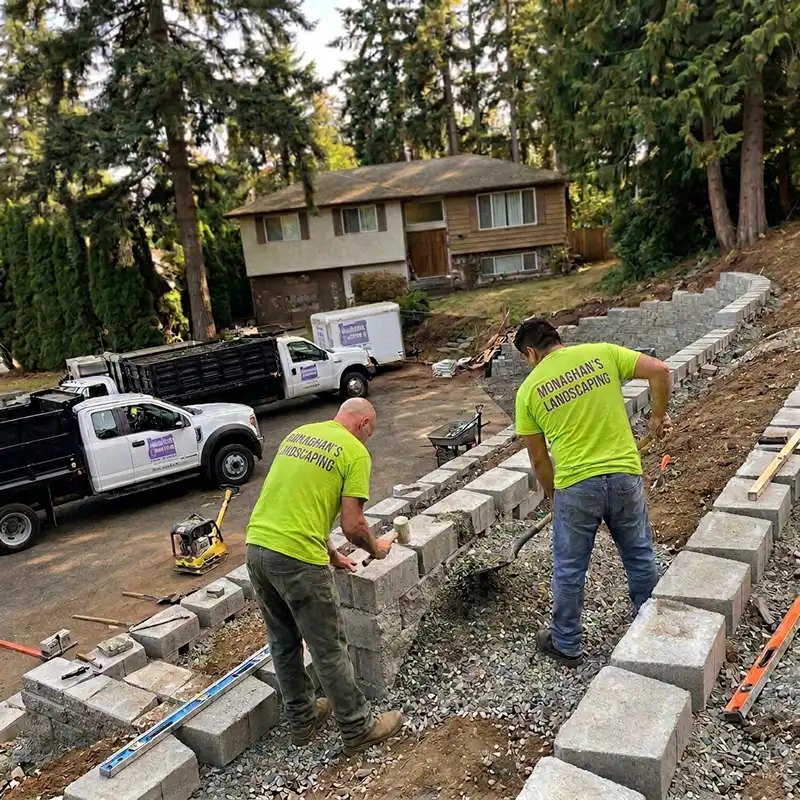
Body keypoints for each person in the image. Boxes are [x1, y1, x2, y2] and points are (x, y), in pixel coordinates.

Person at [246, 398, 406, 754]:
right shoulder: (354, 452)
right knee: (329, 646)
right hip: (297, 561)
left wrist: (333, 556)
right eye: (370, 433)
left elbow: (298, 506)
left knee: (283, 640)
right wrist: (374, 549)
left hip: (257, 549)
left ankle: (302, 720)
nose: (367, 441)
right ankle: (357, 726)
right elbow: (352, 525)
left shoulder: (300, 434)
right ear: (364, 423)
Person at [514, 318, 672, 667]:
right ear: (557, 339)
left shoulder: (528, 391)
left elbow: (539, 459)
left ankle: (566, 642)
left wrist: (555, 496)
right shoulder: (602, 353)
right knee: (640, 554)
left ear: (530, 353)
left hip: (575, 484)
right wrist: (658, 416)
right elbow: (660, 370)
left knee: (570, 568)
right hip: (623, 475)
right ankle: (649, 629)